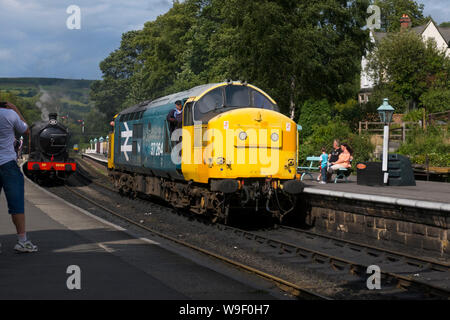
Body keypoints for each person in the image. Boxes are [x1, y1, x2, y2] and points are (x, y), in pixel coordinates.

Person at [0, 101, 38, 253]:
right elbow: (26, 129)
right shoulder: (10, 114)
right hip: (8, 164)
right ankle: (23, 241)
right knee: (16, 203)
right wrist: (16, 109)